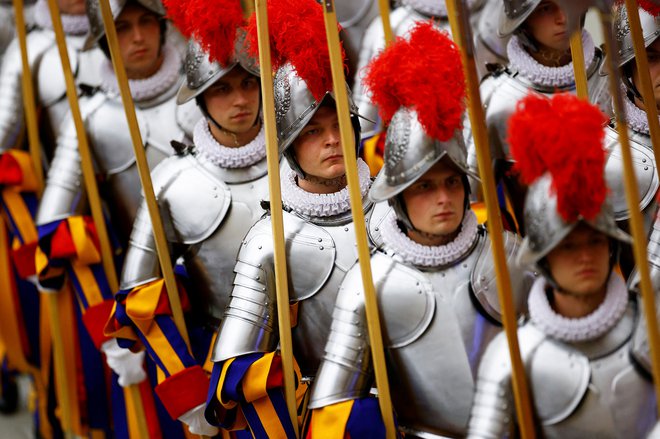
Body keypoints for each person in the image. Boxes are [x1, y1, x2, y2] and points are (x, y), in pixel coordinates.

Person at [306, 22, 530, 438]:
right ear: (399, 199)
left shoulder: (512, 254)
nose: (443, 198)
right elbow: (333, 406)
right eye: (424, 187)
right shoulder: (368, 284)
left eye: (450, 182)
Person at [203, 0, 388, 435]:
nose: (332, 141)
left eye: (340, 124)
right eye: (312, 132)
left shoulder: (395, 212)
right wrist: (278, 381)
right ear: (288, 146)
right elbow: (233, 366)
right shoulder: (270, 240)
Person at [33, 0, 200, 436]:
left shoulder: (209, 93)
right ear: (105, 42)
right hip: (149, 293)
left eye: (147, 22)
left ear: (164, 27)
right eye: (123, 28)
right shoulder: (89, 115)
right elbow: (52, 218)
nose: (138, 37)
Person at [105, 2, 268, 430]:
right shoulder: (171, 181)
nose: (240, 100)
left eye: (249, 84)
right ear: (200, 98)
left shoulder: (298, 164)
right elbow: (139, 294)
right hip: (224, 371)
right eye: (222, 89)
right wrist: (188, 385)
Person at [466, 92, 657, 438]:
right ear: (545, 256)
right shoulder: (511, 358)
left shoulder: (652, 326)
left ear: (612, 246)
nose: (585, 256)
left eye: (594, 240)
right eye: (568, 246)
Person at [466, 0, 609, 231]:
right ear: (523, 20)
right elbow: (472, 199)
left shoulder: (614, 79)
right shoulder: (496, 97)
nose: (563, 16)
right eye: (545, 8)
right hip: (534, 251)